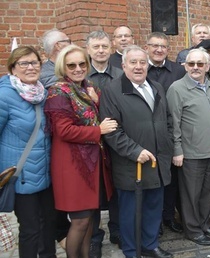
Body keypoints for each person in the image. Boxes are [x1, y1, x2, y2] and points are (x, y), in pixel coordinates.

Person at [100, 45, 174, 258]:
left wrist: (166, 144)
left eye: (142, 62)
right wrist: (135, 151)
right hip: (132, 165)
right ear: (123, 65)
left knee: (153, 208)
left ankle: (150, 245)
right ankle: (132, 251)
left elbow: (167, 120)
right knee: (131, 212)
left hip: (157, 162)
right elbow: (112, 131)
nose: (139, 66)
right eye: (133, 62)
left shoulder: (157, 87)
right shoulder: (112, 91)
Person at [44, 45, 117, 258]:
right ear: (62, 67)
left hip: (90, 163)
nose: (78, 69)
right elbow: (63, 130)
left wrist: (97, 100)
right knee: (80, 220)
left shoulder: (88, 87)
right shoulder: (58, 91)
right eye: (72, 65)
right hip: (72, 164)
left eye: (82, 64)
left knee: (90, 220)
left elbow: (97, 112)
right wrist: (98, 131)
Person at [0, 46, 56, 258]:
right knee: (31, 229)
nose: (30, 67)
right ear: (13, 69)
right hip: (20, 175)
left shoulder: (43, 93)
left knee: (48, 225)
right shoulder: (4, 95)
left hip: (46, 173)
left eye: (34, 62)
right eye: (24, 63)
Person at [166, 49, 210, 246]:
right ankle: (192, 229)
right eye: (191, 64)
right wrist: (177, 151)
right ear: (185, 66)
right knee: (191, 195)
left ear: (207, 66)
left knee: (208, 192)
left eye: (200, 64)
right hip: (190, 153)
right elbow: (173, 122)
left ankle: (204, 222)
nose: (195, 67)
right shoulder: (177, 88)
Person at [85, 30, 123, 257]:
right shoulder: (81, 75)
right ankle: (94, 237)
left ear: (110, 48)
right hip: (90, 145)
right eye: (96, 47)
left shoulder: (120, 74)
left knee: (117, 188)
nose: (100, 51)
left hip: (116, 141)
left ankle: (117, 229)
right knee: (93, 192)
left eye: (104, 46)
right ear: (88, 49)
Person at [144, 32, 186, 235]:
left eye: (163, 46)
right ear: (147, 48)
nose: (159, 50)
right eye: (155, 46)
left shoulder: (178, 70)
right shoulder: (141, 70)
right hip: (148, 134)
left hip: (173, 132)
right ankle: (154, 221)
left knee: (171, 181)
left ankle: (168, 217)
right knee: (152, 180)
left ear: (168, 50)